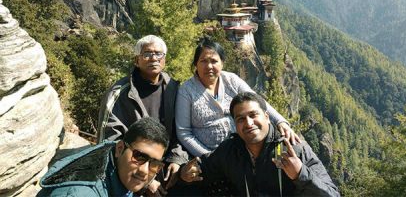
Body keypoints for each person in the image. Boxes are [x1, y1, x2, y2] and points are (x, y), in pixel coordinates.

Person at [180, 92, 340, 196]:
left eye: (253, 115)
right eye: (241, 119)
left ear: (267, 116)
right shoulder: (231, 150)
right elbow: (205, 166)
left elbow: (332, 194)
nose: (248, 123)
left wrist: (300, 174)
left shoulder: (292, 148)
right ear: (235, 124)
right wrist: (185, 171)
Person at [175, 38, 300, 157]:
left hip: (244, 147)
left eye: (214, 61)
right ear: (196, 64)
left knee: (283, 143)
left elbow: (257, 101)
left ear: (222, 63)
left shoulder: (231, 80)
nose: (209, 66)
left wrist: (280, 121)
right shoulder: (186, 91)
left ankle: (287, 169)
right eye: (203, 61)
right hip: (209, 155)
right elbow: (184, 133)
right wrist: (209, 157)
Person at [97, 35, 188, 195]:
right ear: (136, 60)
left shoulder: (173, 89)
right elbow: (107, 145)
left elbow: (181, 131)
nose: (154, 58)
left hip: (166, 171)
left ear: (164, 59)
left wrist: (177, 159)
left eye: (158, 54)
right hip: (132, 175)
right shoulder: (119, 94)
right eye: (147, 54)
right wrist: (146, 182)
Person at [38, 117, 169, 197]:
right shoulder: (79, 193)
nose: (144, 171)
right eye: (139, 156)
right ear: (120, 149)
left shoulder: (112, 160)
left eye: (154, 164)